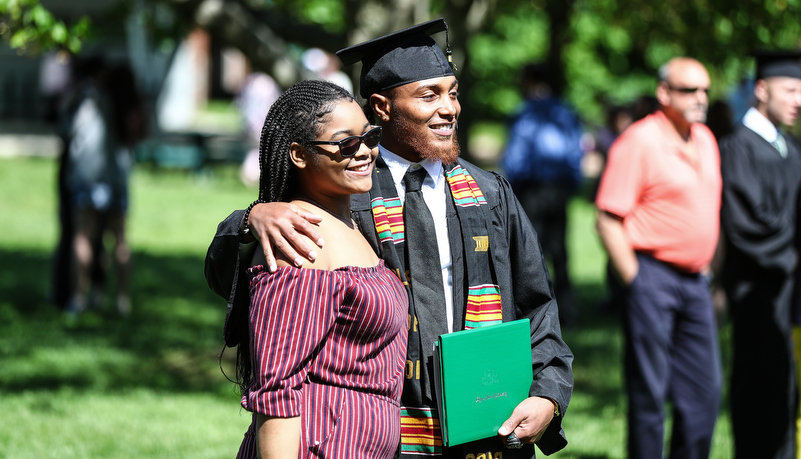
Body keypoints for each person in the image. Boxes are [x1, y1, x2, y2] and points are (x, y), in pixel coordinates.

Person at [206, 18, 573, 459]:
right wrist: (250, 218)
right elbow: (254, 283)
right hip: (381, 436)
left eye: (452, 93)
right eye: (429, 95)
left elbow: (537, 303)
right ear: (382, 107)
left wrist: (548, 395)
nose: (450, 108)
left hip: (487, 429)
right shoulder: (343, 191)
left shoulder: (490, 195)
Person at [230, 79, 409, 458]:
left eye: (370, 136)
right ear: (298, 154)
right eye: (346, 143)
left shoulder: (349, 222)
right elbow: (276, 388)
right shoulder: (300, 239)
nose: (364, 151)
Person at [594, 57, 722, 459]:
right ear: (664, 93)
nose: (700, 98)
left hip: (696, 281)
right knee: (649, 394)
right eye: (689, 90)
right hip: (652, 276)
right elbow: (608, 218)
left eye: (705, 90)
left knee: (705, 392)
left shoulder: (705, 138)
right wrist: (636, 280)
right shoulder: (640, 141)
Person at [718, 50, 801, 459]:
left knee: (786, 390)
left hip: (788, 292)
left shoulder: (789, 146)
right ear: (762, 90)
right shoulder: (738, 148)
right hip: (756, 288)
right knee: (759, 387)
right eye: (790, 90)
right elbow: (748, 222)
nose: (798, 100)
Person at [500, 62, 584, 328]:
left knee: (530, 251)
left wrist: (511, 188)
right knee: (559, 251)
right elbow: (575, 152)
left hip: (532, 189)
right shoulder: (564, 111)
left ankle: (535, 312)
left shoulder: (525, 113)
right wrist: (572, 184)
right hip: (558, 188)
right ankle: (566, 310)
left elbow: (516, 156)